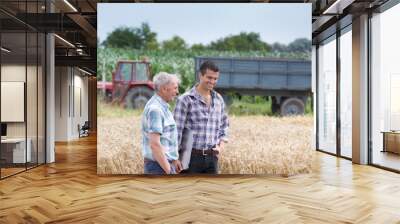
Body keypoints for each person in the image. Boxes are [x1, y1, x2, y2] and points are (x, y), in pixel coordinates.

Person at [174, 60, 229, 174]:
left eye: (215, 78)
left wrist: (220, 147)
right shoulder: (185, 99)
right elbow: (176, 132)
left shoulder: (219, 99)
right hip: (190, 158)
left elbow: (224, 126)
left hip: (212, 158)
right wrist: (175, 158)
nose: (212, 81)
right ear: (200, 75)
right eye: (209, 77)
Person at [142, 72, 182, 174]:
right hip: (159, 167)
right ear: (164, 89)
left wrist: (174, 159)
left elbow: (166, 138)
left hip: (162, 165)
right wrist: (169, 170)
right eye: (175, 88)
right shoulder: (156, 109)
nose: (177, 92)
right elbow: (155, 144)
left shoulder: (163, 107)